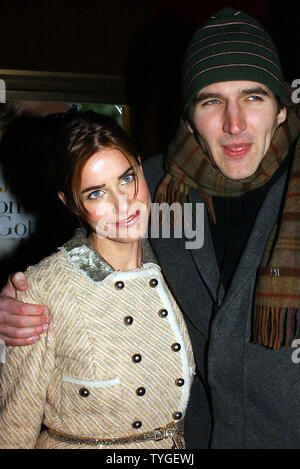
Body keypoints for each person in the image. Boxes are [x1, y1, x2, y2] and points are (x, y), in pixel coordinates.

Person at [0, 6, 299, 448]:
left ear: (279, 109)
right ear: (189, 115)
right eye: (211, 101)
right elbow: (103, 240)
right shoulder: (158, 185)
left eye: (253, 97)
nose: (234, 124)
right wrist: (25, 300)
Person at [0, 110, 194, 449]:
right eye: (95, 193)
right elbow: (14, 428)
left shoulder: (179, 263)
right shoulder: (44, 289)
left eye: (126, 178)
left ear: (139, 165)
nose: (123, 204)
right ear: (70, 203)